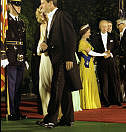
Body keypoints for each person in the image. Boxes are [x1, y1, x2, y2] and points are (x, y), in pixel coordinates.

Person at [37, 0, 82, 128]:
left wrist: (69, 58)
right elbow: (55, 41)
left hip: (63, 60)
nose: (41, 6)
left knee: (56, 88)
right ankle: (68, 118)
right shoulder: (51, 18)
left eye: (43, 3)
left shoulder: (62, 15)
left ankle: (51, 119)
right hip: (57, 59)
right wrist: (46, 46)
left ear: (51, 3)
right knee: (65, 89)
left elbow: (70, 37)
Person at [1, 0, 28, 120]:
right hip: (10, 56)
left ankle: (16, 111)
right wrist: (3, 55)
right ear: (10, 6)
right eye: (17, 4)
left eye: (20, 5)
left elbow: (24, 42)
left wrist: (25, 57)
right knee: (11, 86)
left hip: (20, 57)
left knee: (18, 86)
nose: (19, 7)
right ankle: (11, 112)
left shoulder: (21, 22)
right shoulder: (5, 22)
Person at [92, 20, 122, 107]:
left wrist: (110, 53)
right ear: (100, 27)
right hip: (101, 62)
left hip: (111, 61)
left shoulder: (113, 36)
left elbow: (117, 48)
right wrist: (102, 54)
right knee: (104, 82)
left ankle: (117, 100)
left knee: (114, 81)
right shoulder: (95, 37)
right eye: (103, 26)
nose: (105, 28)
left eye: (106, 26)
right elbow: (94, 49)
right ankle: (106, 101)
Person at [78, 24, 106, 109]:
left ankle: (90, 102)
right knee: (86, 82)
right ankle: (86, 103)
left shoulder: (86, 42)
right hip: (85, 66)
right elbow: (90, 53)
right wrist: (103, 54)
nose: (90, 34)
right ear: (84, 33)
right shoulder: (82, 42)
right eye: (88, 32)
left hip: (89, 65)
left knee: (90, 81)